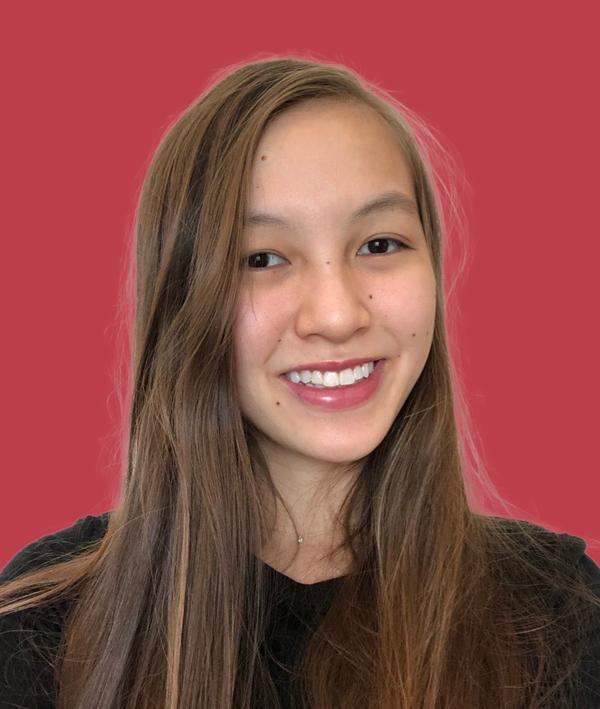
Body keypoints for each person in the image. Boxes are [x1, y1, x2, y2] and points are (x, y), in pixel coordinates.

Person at [0, 56, 599, 709]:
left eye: (380, 244)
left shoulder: (560, 613)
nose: (338, 315)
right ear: (185, 298)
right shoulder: (41, 622)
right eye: (263, 258)